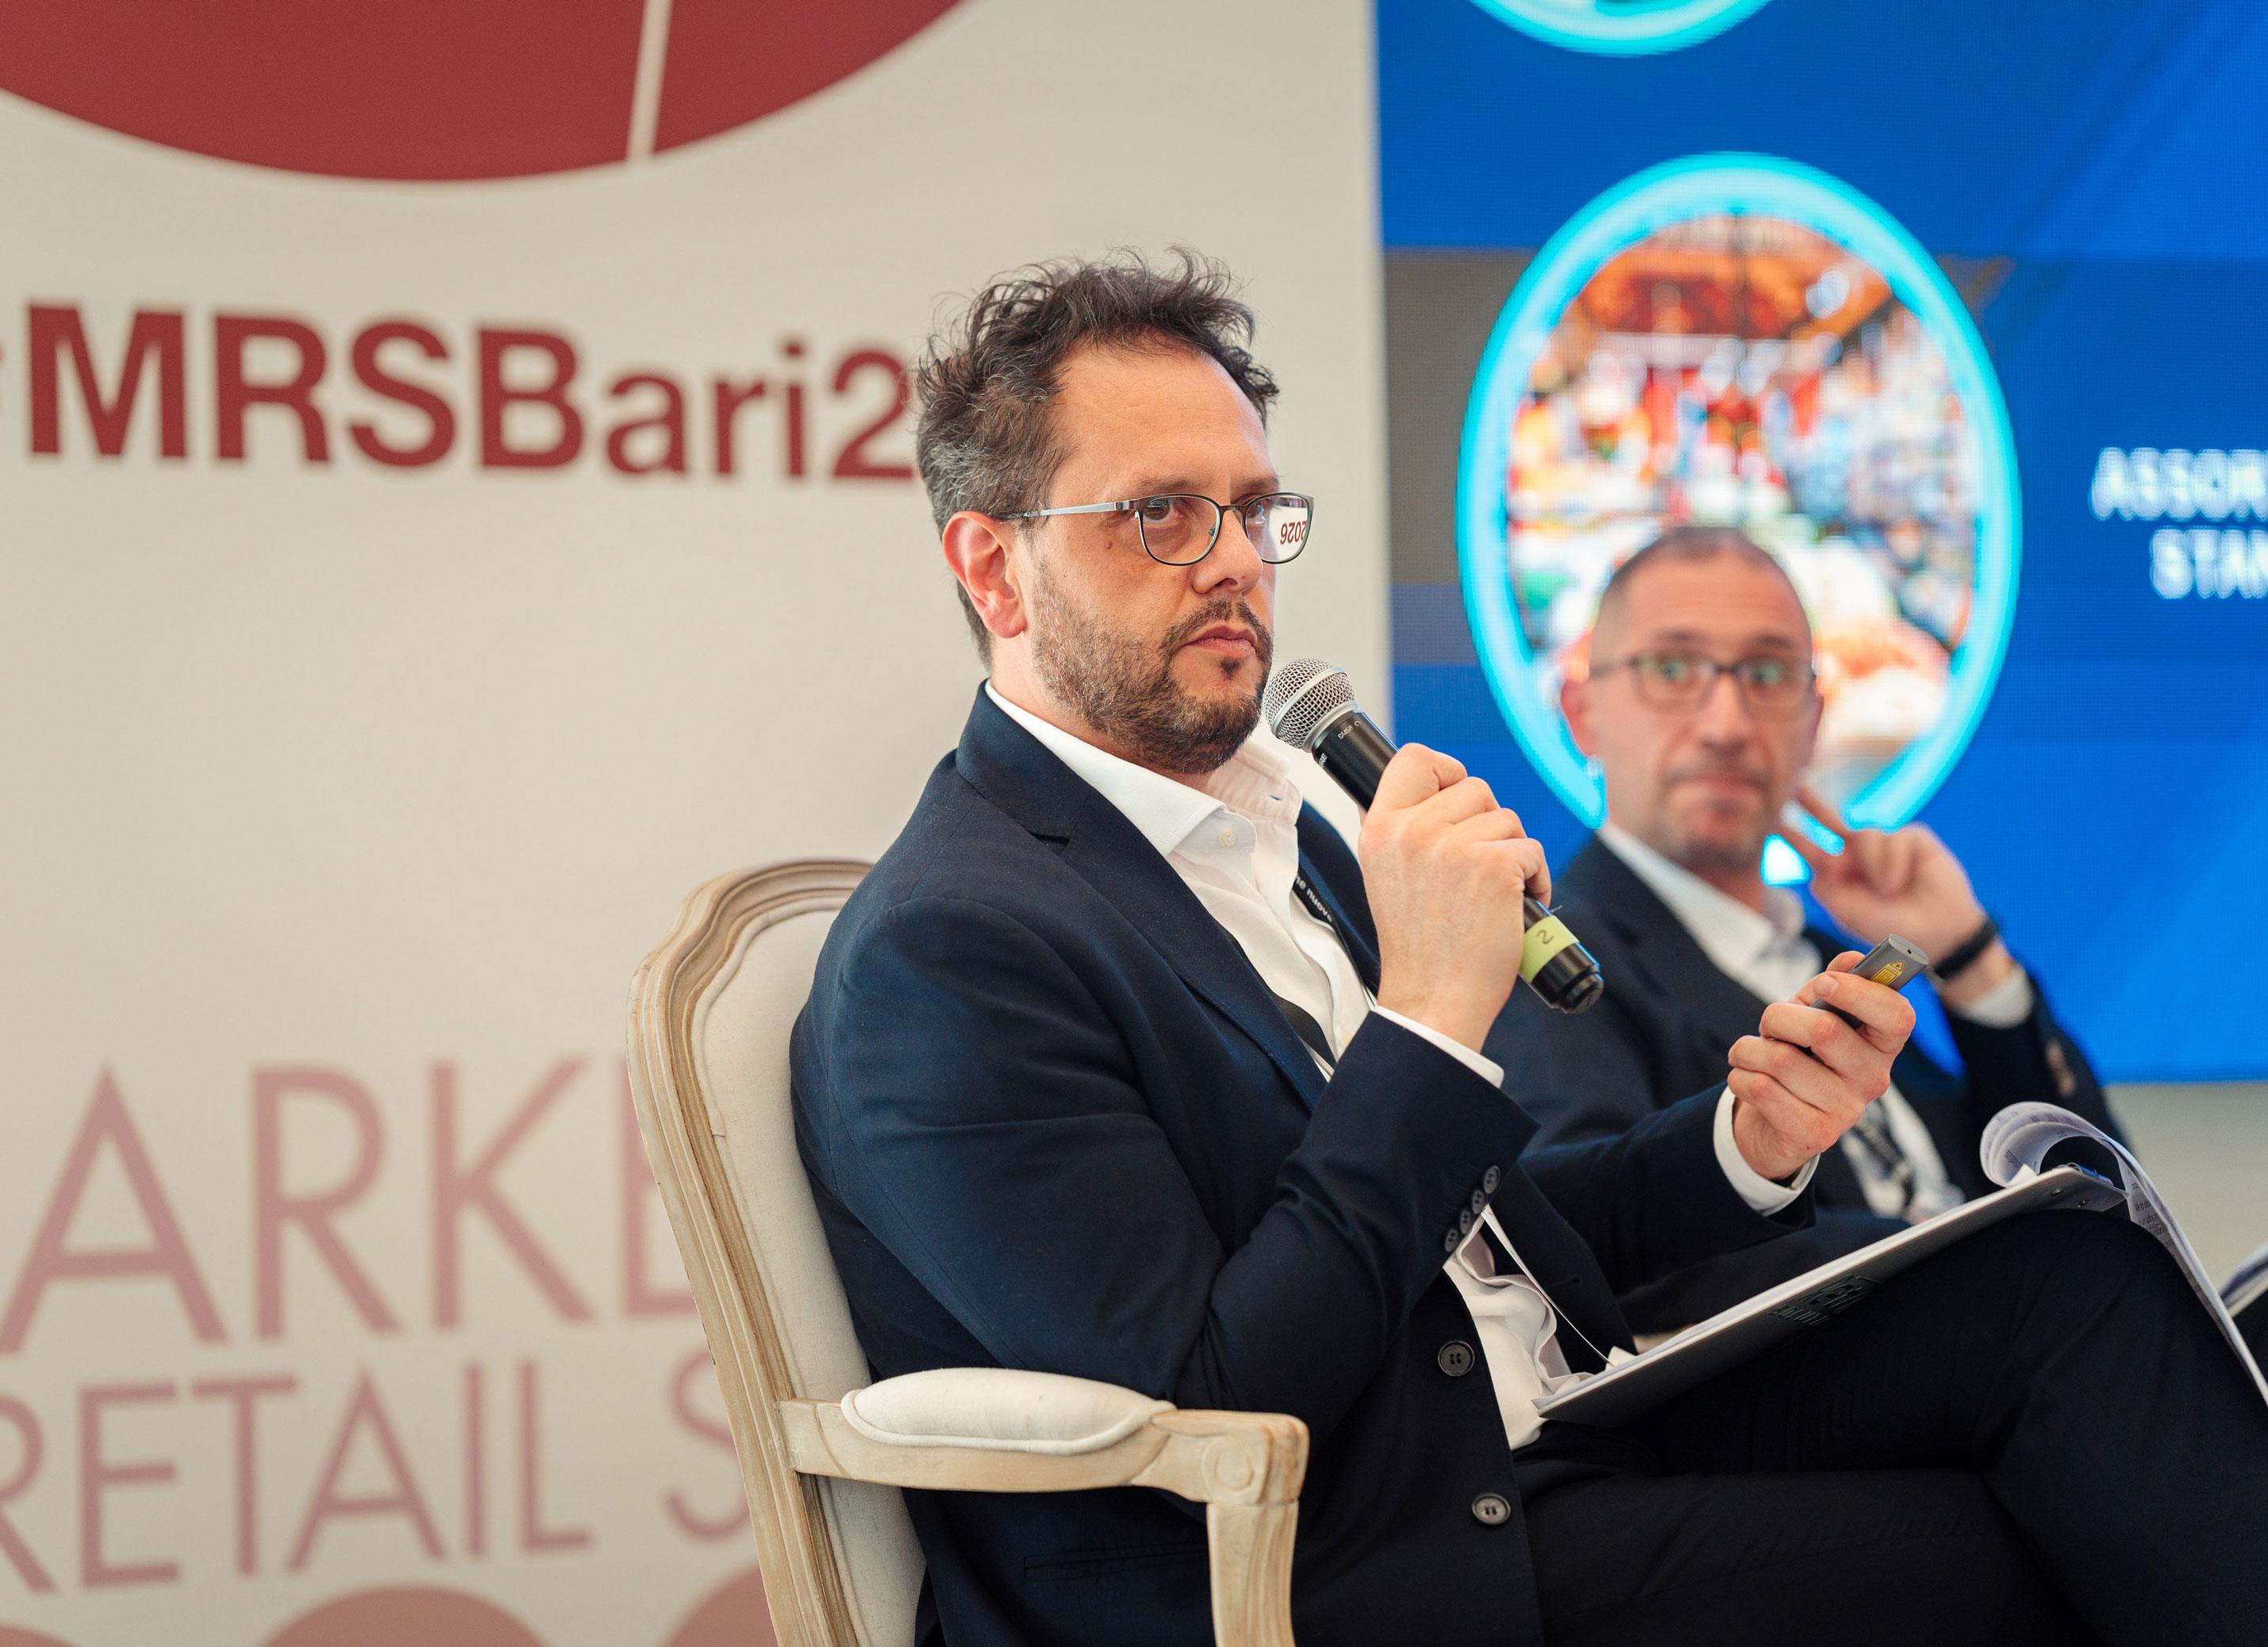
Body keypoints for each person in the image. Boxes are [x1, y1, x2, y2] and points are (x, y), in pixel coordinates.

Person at [789, 253, 2268, 1647]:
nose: (1233, 561)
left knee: (2069, 1281)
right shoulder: (951, 948)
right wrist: (1430, 1018)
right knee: (2039, 1538)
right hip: (1344, 1554)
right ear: (993, 569)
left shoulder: (1281, 829)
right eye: (1163, 513)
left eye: (1252, 509)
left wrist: (1745, 1145)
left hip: (1545, 1424)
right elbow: (1212, 1407)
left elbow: (1479, 1237)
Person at [1484, 526, 2124, 1333]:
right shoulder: (1548, 956)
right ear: (1581, 713)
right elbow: (1576, 1237)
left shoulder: (1826, 959)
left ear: (1814, 720)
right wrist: (1985, 1264)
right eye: (1672, 670)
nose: (1725, 723)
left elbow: (2095, 1191)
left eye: (1766, 674)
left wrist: (1967, 956)